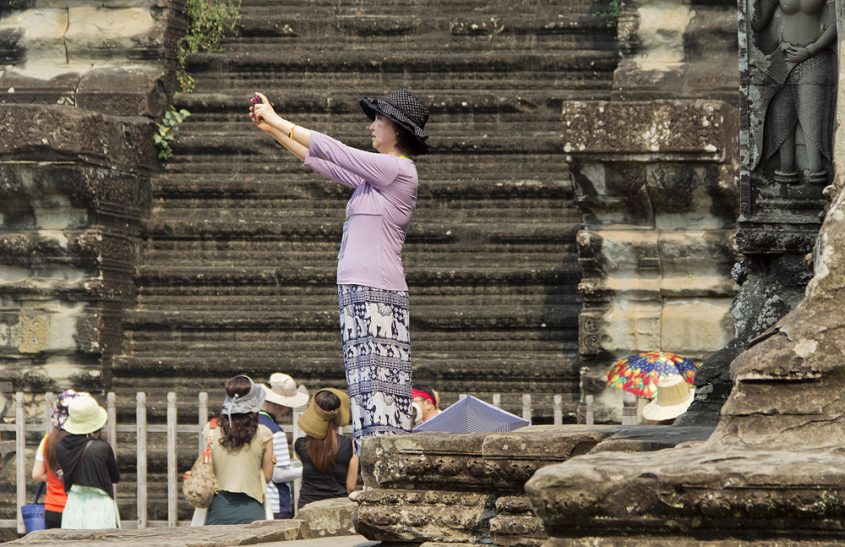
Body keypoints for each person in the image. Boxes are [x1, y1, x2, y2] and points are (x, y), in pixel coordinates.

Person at [250, 89, 431, 449]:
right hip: (356, 290)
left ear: (397, 130)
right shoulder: (373, 180)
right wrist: (272, 132)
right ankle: (372, 467)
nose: (372, 126)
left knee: (380, 389)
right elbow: (322, 162)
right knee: (363, 387)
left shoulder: (398, 170)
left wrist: (279, 120)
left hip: (378, 291)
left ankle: (385, 464)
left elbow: (337, 151)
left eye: (379, 120)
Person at [202, 375, 274, 525]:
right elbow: (267, 476)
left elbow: (208, 468)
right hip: (252, 508)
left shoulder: (210, 429)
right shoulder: (264, 433)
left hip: (218, 508)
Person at [55, 395, 120, 529]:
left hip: (74, 505)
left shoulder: (61, 447)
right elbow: (115, 477)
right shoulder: (102, 448)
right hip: (100, 506)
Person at [294, 388, 359, 509]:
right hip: (337, 507)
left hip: (307, 507)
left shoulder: (300, 444)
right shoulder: (347, 445)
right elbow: (350, 486)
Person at [31, 389, 85, 528]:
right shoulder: (84, 441)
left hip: (53, 508)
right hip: (79, 508)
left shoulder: (48, 439)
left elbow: (36, 474)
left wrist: (56, 476)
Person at [259, 373, 309, 519]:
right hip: (275, 502)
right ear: (278, 404)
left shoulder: (249, 424)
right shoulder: (274, 431)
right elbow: (278, 475)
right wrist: (308, 468)